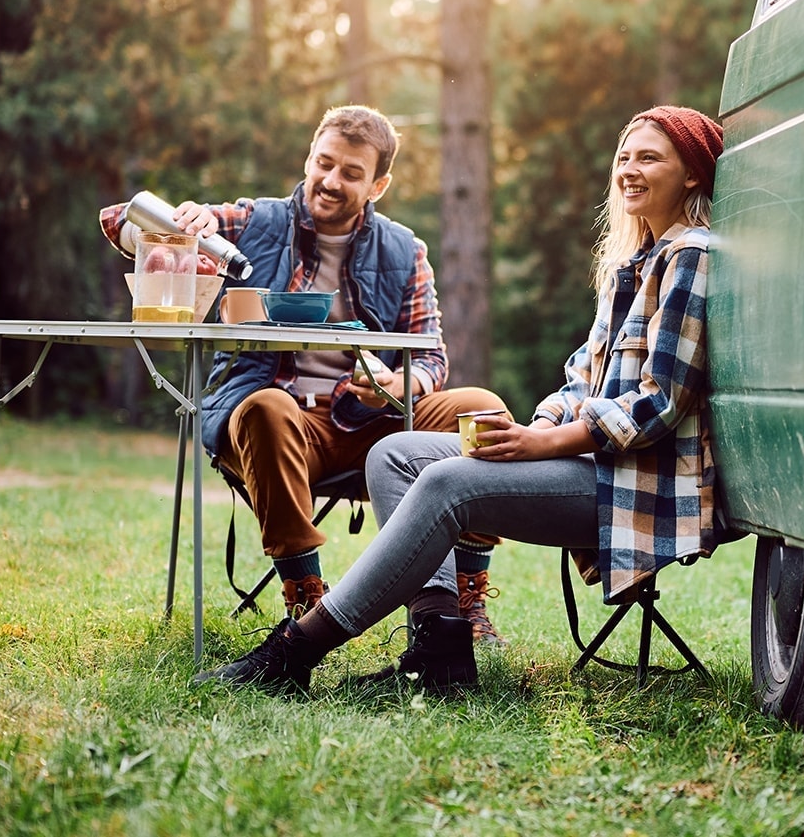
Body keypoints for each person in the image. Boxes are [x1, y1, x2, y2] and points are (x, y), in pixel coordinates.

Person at [191, 104, 725, 695]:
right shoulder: (633, 263)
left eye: (649, 157)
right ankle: (442, 645)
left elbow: (658, 404)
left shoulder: (691, 255)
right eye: (624, 156)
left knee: (448, 481)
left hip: (638, 482)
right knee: (394, 455)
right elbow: (582, 377)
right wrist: (536, 429)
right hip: (586, 461)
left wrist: (538, 441)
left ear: (694, 173)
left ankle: (295, 653)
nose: (628, 169)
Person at [99, 105, 508, 642]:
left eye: (352, 173)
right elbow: (118, 218)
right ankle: (308, 605)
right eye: (325, 163)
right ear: (309, 158)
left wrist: (398, 385)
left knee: (482, 409)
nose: (331, 181)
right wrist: (181, 223)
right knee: (269, 407)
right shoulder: (254, 221)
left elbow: (431, 356)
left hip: (372, 421)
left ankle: (463, 601)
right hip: (276, 423)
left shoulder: (406, 250)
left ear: (379, 184)